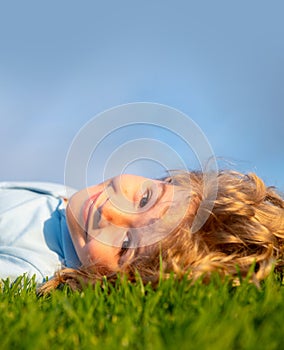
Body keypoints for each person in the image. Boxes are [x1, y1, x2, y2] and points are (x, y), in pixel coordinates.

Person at [1, 170, 284, 294]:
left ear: (110, 283)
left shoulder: (30, 267)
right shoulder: (69, 208)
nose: (110, 211)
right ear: (168, 180)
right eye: (145, 198)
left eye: (125, 244)